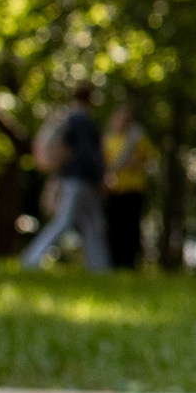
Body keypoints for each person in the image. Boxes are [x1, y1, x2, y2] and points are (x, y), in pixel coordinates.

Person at [21, 86, 110, 271]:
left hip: (73, 178)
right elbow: (88, 153)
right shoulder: (82, 121)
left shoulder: (68, 119)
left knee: (92, 224)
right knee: (66, 221)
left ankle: (100, 268)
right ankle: (31, 259)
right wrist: (100, 175)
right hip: (80, 179)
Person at [103, 99, 158, 269]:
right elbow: (103, 164)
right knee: (114, 228)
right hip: (114, 190)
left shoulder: (138, 139)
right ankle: (112, 263)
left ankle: (129, 263)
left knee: (131, 228)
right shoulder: (108, 140)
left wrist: (137, 164)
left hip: (134, 189)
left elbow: (152, 161)